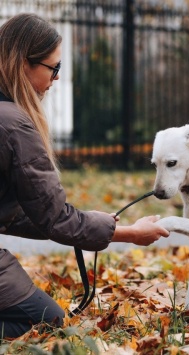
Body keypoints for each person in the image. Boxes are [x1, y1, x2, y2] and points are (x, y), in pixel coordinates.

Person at [0, 13, 169, 339]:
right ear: (24, 64)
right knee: (45, 320)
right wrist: (133, 233)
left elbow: (22, 215)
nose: (57, 78)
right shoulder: (13, 123)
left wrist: (93, 223)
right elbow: (55, 219)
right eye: (54, 68)